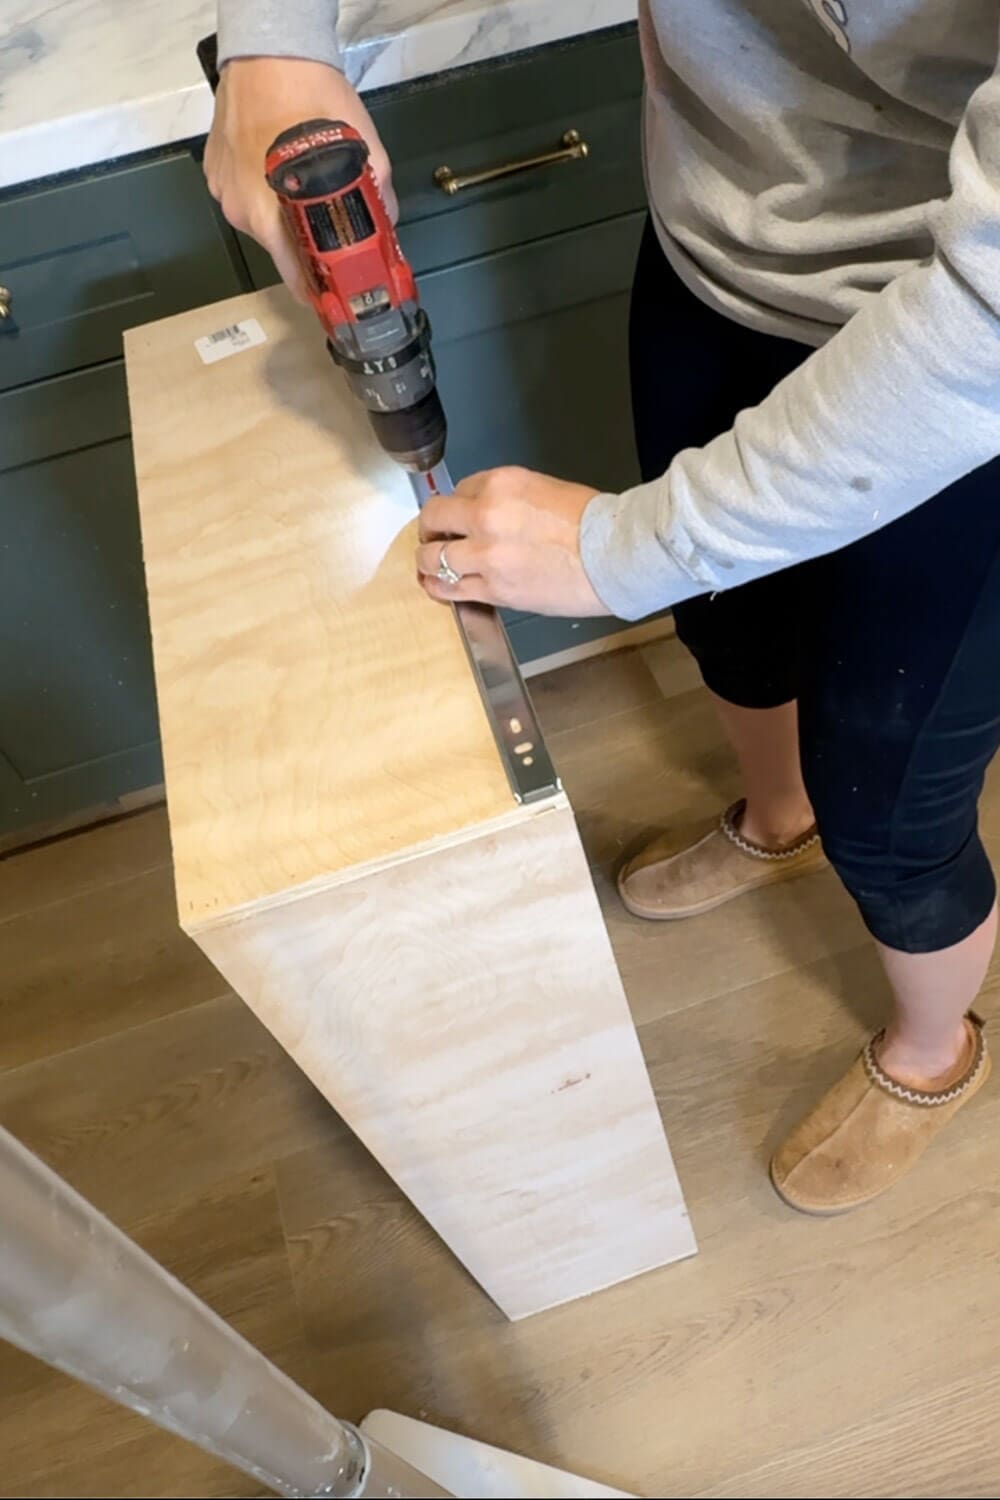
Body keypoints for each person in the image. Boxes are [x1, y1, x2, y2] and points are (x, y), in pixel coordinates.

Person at [208, 1, 1000, 1216]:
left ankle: (932, 1054)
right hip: (716, 258)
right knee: (729, 634)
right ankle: (775, 819)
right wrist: (276, 39)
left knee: (890, 806)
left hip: (958, 369)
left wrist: (635, 548)